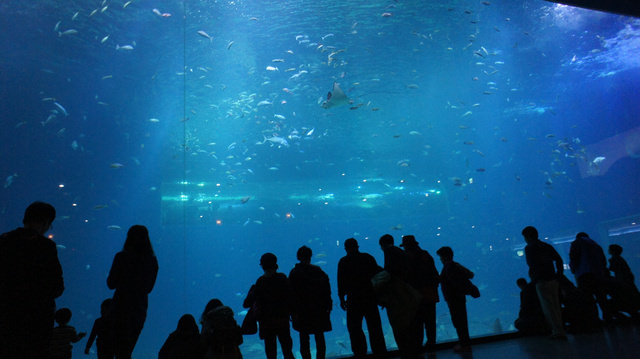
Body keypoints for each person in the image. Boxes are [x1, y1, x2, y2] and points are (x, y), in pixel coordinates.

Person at [0, 201, 64, 359]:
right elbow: (57, 287)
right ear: (46, 223)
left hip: (5, 315)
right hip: (37, 320)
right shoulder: (46, 247)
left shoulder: (3, 240)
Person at [107, 225, 159, 359]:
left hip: (120, 305)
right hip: (139, 307)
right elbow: (149, 289)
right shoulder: (152, 260)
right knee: (127, 349)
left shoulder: (121, 257)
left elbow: (111, 284)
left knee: (116, 347)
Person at [337, 238, 387, 359]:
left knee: (354, 329)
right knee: (375, 327)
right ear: (357, 246)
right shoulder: (367, 258)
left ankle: (360, 353)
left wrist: (341, 298)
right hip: (369, 297)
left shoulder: (343, 262)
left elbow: (341, 282)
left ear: (345, 248)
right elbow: (378, 274)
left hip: (353, 299)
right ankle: (380, 352)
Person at [243, 253, 295, 359]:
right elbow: (291, 298)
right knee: (287, 350)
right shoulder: (282, 278)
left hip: (267, 324)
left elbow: (247, 303)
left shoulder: (260, 282)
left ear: (262, 265)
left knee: (271, 353)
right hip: (282, 321)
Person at [376, 234, 420, 359]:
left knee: (400, 326)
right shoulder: (401, 252)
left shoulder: (389, 251)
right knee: (409, 325)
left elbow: (390, 273)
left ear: (383, 244)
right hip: (408, 293)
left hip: (398, 295)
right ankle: (412, 352)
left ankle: (406, 353)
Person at [521, 226, 567, 340]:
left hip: (541, 281)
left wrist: (535, 277)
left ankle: (557, 331)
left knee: (548, 307)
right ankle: (560, 329)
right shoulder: (546, 246)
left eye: (525, 237)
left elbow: (531, 264)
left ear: (528, 236)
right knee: (556, 305)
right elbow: (559, 259)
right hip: (553, 279)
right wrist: (559, 274)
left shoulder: (529, 248)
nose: (525, 240)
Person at [288, 246, 332, 359]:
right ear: (310, 256)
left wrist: (292, 311)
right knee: (320, 337)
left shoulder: (294, 273)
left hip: (302, 312)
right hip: (318, 310)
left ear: (298, 257)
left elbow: (291, 294)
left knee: (304, 339)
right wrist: (328, 306)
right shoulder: (318, 271)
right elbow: (327, 290)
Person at [400, 235, 440, 353]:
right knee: (430, 322)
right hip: (430, 293)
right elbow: (434, 274)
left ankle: (418, 347)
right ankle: (431, 344)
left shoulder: (407, 257)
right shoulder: (425, 254)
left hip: (416, 296)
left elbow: (407, 277)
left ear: (406, 246)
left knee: (417, 323)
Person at [436, 246, 473, 353]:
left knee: (459, 321)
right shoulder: (454, 265)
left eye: (441, 257)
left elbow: (454, 283)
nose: (440, 259)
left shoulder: (449, 267)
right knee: (461, 321)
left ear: (444, 256)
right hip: (458, 298)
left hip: (454, 299)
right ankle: (465, 343)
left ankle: (465, 345)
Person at [569, 232, 611, 320]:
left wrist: (573, 269)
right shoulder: (596, 245)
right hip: (598, 275)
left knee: (588, 299)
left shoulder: (577, 243)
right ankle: (608, 318)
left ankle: (594, 319)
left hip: (584, 275)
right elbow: (603, 261)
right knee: (602, 298)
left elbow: (573, 258)